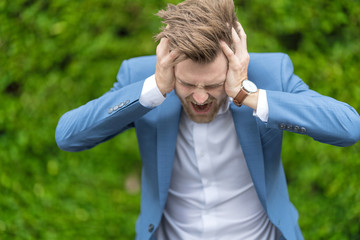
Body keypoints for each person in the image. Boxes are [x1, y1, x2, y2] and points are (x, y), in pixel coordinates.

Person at [55, 0, 360, 239]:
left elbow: (348, 127)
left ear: (234, 62)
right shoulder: (142, 76)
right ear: (170, 64)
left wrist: (245, 94)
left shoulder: (270, 72)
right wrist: (155, 90)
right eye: (187, 85)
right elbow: (68, 136)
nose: (200, 98)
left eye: (213, 86)